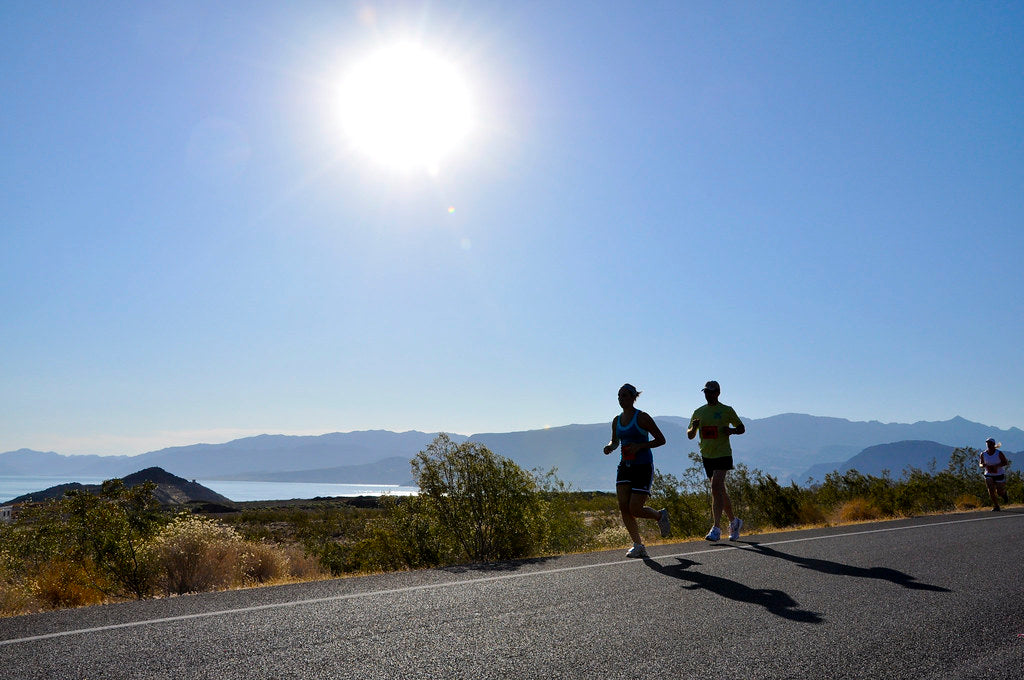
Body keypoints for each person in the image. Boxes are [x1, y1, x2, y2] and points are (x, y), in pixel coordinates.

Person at [602, 383, 670, 558]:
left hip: (643, 466)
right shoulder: (616, 420)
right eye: (619, 396)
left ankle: (659, 515)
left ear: (633, 397)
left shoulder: (642, 417)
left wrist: (640, 446)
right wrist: (610, 447)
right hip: (625, 466)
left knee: (635, 509)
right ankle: (638, 545)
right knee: (624, 507)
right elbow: (615, 441)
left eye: (625, 395)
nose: (621, 399)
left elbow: (661, 440)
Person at [687, 380, 745, 541]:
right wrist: (694, 427)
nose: (708, 395)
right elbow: (690, 435)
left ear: (718, 393)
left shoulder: (726, 410)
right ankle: (734, 521)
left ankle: (716, 528)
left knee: (715, 487)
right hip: (707, 455)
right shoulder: (699, 412)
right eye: (706, 392)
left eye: (711, 392)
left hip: (723, 454)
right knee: (720, 490)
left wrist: (731, 430)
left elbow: (741, 428)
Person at [979, 437, 1011, 511]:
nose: (988, 444)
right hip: (988, 474)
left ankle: (1004, 494)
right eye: (987, 443)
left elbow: (1005, 462)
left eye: (990, 443)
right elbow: (980, 464)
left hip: (999, 474)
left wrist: (996, 466)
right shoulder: (983, 454)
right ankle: (996, 506)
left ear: (993, 444)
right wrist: (983, 465)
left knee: (999, 492)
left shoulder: (998, 453)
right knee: (990, 490)